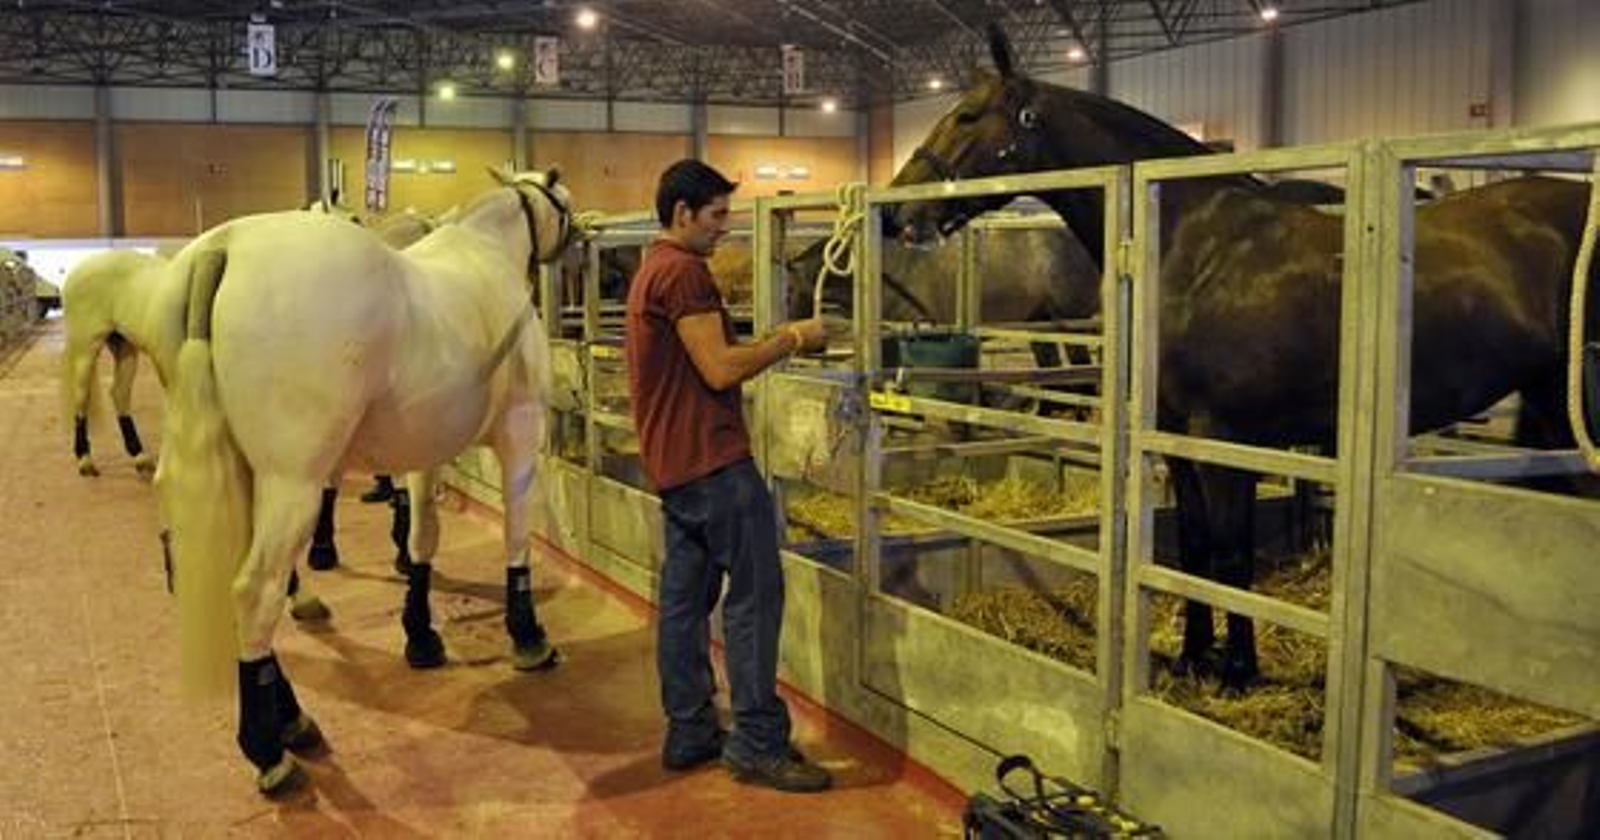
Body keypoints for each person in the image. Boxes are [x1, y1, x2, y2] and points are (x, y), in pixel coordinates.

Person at [625, 159, 832, 793]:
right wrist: (792, 338)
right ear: (682, 213)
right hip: (715, 463)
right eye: (716, 216)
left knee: (684, 606)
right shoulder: (684, 273)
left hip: (674, 466)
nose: (725, 230)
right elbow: (718, 369)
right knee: (754, 597)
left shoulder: (648, 271)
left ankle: (689, 730)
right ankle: (757, 743)